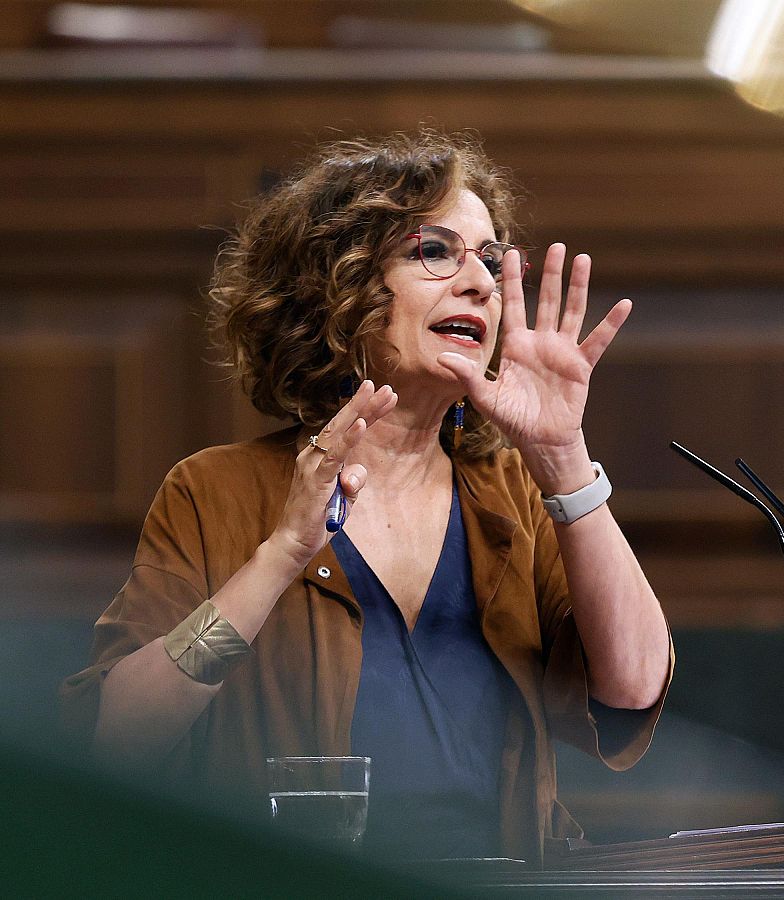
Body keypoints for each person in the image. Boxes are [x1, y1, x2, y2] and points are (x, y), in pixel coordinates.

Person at [60, 130, 672, 862]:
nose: (480, 283)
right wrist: (281, 555)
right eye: (436, 251)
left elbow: (633, 687)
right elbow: (114, 741)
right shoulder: (213, 490)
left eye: (488, 258)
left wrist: (562, 457)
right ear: (339, 283)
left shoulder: (510, 491)